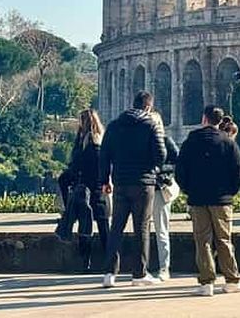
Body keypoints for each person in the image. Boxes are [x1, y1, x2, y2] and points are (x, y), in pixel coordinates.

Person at [175, 105, 240, 297]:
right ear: (219, 121)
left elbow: (180, 171)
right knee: (224, 240)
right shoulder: (228, 142)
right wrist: (230, 192)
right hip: (221, 199)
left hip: (198, 198)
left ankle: (206, 282)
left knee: (202, 240)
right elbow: (239, 172)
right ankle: (232, 279)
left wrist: (188, 190)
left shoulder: (191, 141)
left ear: (204, 119)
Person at [99, 91, 167, 288]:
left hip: (120, 182)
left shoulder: (114, 125)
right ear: (148, 107)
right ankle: (139, 274)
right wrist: (154, 169)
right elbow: (161, 154)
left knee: (116, 228)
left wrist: (105, 180)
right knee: (142, 228)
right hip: (144, 183)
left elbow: (104, 156)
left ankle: (109, 273)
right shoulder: (150, 125)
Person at [57, 110, 110, 271]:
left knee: (85, 226)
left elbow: (76, 165)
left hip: (86, 188)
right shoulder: (101, 140)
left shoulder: (88, 144)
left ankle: (86, 262)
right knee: (103, 226)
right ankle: (110, 261)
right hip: (98, 188)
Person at [151, 112, 179, 282]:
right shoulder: (143, 142)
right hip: (144, 189)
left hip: (160, 189)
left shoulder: (167, 141)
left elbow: (178, 163)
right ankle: (142, 267)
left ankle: (164, 267)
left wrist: (161, 172)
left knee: (161, 230)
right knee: (142, 230)